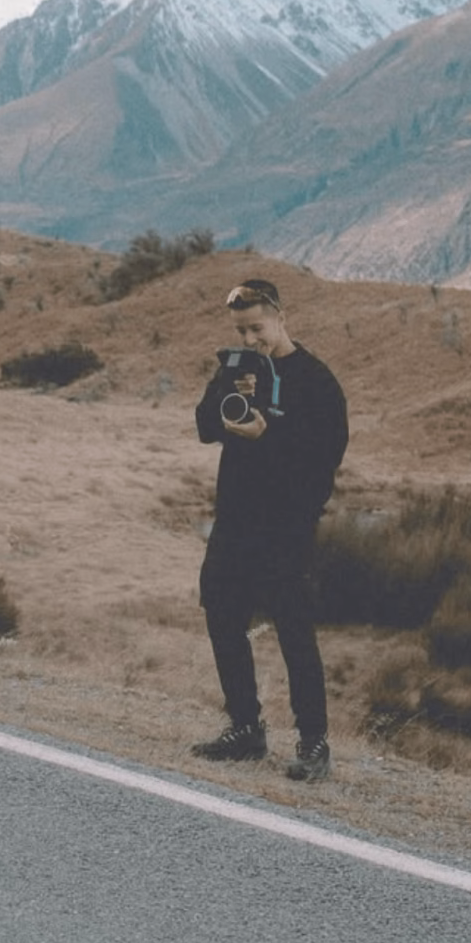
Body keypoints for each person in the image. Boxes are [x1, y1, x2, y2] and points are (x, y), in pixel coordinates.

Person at [192, 279, 347, 781]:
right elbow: (204, 425)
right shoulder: (236, 368)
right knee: (221, 615)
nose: (250, 339)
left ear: (280, 317)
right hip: (234, 520)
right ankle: (245, 728)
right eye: (241, 330)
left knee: (294, 631)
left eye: (256, 328)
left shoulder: (317, 382)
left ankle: (313, 743)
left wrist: (269, 432)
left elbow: (323, 459)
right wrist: (228, 396)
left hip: (287, 528)